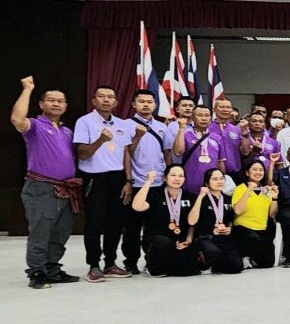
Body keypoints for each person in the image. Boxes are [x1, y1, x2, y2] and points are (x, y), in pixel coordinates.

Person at [12, 76, 82, 288]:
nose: (56, 103)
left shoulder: (67, 131)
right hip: (41, 188)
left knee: (61, 231)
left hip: (66, 189)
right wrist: (27, 89)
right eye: (51, 100)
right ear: (41, 104)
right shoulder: (35, 126)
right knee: (41, 231)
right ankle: (37, 272)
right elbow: (17, 119)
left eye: (60, 101)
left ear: (66, 106)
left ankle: (52, 268)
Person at [74, 85, 135, 282]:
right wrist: (100, 139)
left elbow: (126, 153)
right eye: (101, 96)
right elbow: (82, 154)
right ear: (94, 101)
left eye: (110, 97)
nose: (106, 100)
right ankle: (93, 265)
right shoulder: (84, 122)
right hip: (95, 178)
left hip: (118, 178)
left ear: (116, 102)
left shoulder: (122, 124)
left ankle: (110, 263)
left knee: (115, 223)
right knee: (94, 223)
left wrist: (128, 180)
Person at [121, 89, 172, 275]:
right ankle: (131, 261)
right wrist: (128, 180)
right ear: (134, 104)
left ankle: (152, 260)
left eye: (149, 102)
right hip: (137, 184)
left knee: (155, 227)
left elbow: (167, 153)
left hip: (158, 184)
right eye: (141, 101)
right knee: (132, 228)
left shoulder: (162, 127)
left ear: (155, 105)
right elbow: (126, 153)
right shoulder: (126, 125)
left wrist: (169, 177)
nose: (145, 105)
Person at [130, 166, 199, 277]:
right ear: (164, 178)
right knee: (163, 243)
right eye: (173, 175)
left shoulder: (190, 197)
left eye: (180, 176)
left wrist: (189, 238)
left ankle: (170, 264)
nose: (177, 178)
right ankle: (152, 266)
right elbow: (137, 206)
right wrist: (149, 181)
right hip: (158, 239)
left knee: (188, 270)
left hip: (181, 239)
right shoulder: (155, 194)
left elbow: (193, 223)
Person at [188, 169, 243, 274]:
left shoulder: (228, 199)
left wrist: (229, 228)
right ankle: (202, 262)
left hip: (222, 239)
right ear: (207, 183)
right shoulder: (200, 198)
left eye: (221, 178)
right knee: (211, 251)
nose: (219, 181)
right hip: (205, 238)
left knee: (237, 266)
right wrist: (200, 196)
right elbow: (191, 221)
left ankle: (215, 264)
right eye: (215, 179)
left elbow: (230, 220)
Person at [231, 157, 280, 269]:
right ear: (247, 172)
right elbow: (237, 211)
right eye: (254, 169)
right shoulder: (240, 188)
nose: (258, 172)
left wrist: (275, 198)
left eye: (261, 170)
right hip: (243, 229)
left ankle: (251, 257)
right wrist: (248, 189)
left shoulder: (266, 190)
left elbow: (272, 214)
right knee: (251, 238)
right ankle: (244, 256)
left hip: (261, 230)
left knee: (268, 262)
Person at [172, 106, 225, 195]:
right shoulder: (185, 134)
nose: (204, 118)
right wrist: (181, 129)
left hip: (212, 185)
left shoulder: (217, 137)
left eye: (207, 115)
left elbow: (220, 162)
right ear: (192, 117)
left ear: (210, 118)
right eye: (200, 115)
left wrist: (223, 180)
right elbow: (178, 152)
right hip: (190, 184)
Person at [208, 98, 242, 178]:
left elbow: (243, 151)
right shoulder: (208, 129)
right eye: (222, 107)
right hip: (214, 173)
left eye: (228, 107)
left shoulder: (237, 129)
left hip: (236, 172)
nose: (225, 109)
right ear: (214, 110)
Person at [166, 96, 195, 163]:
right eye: (184, 105)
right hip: (178, 164)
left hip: (195, 164)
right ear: (177, 109)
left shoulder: (199, 126)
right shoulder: (172, 126)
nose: (188, 108)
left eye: (191, 106)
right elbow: (168, 149)